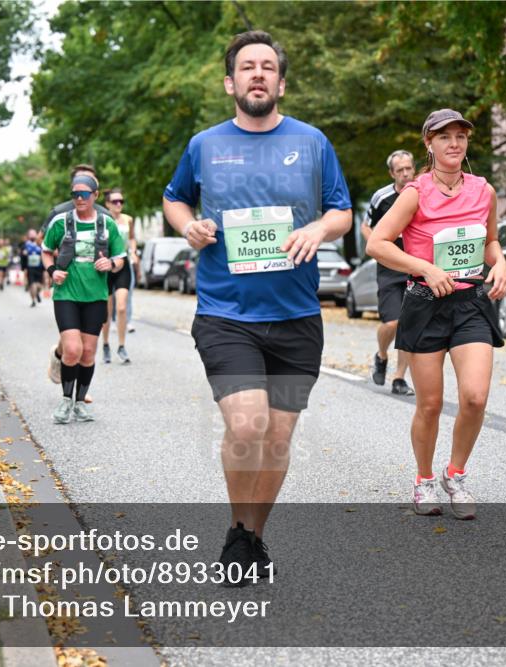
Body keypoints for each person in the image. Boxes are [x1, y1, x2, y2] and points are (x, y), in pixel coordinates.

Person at [162, 30, 352, 584]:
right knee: (247, 427)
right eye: (248, 67)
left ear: (282, 83)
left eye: (268, 66)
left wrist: (319, 228)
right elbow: (175, 198)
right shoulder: (205, 145)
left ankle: (249, 538)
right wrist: (188, 225)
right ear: (231, 82)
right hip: (226, 315)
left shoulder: (313, 142)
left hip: (296, 320)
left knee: (277, 438)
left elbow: (340, 210)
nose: (258, 74)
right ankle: (240, 532)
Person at [366, 108, 506, 521]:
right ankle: (424, 479)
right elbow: (378, 243)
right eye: (444, 136)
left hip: (470, 303)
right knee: (430, 404)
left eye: (461, 136)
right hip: (426, 304)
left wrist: (499, 265)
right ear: (428, 144)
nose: (454, 143)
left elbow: (492, 242)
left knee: (475, 397)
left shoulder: (484, 191)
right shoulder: (415, 192)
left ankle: (455, 475)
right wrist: (425, 268)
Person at [43, 174, 126, 424]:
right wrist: (51, 271)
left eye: (84, 194)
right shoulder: (61, 222)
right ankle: (66, 400)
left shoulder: (107, 223)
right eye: (75, 195)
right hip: (66, 293)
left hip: (96, 295)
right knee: (72, 349)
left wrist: (110, 263)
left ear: (95, 195)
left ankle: (80, 402)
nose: (79, 199)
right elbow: (46, 251)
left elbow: (121, 257)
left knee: (88, 352)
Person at [361, 150, 417, 395]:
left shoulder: (422, 194)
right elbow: (365, 226)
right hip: (389, 268)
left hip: (416, 266)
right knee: (392, 322)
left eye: (408, 169)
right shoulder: (381, 197)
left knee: (409, 324)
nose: (405, 174)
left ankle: (399, 378)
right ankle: (382, 355)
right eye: (400, 171)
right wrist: (377, 248)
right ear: (392, 173)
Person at [100, 188, 136, 363]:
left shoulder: (128, 219)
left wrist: (134, 251)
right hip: (106, 266)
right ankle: (105, 344)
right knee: (107, 310)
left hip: (123, 265)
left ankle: (121, 346)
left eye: (121, 201)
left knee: (121, 307)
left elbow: (132, 238)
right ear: (107, 204)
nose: (119, 204)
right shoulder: (102, 221)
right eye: (115, 201)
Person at [21, 229, 45, 308]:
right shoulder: (25, 245)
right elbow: (22, 256)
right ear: (28, 236)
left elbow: (46, 253)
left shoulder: (41, 244)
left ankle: (37, 293)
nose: (32, 235)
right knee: (32, 284)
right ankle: (33, 300)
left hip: (39, 268)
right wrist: (23, 267)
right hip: (30, 267)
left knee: (39, 285)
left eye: (34, 233)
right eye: (30, 234)